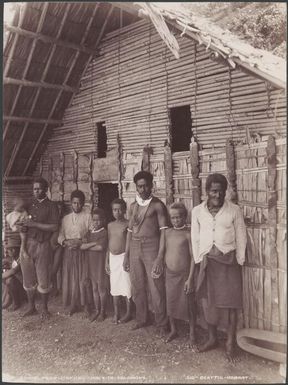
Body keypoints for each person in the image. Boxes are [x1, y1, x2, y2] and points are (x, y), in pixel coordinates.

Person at [191, 173, 247, 362]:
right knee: (208, 303)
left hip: (228, 261)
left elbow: (241, 234)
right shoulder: (197, 211)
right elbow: (195, 236)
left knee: (231, 304)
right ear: (207, 191)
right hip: (208, 262)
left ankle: (230, 342)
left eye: (221, 191)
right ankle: (212, 338)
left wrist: (239, 259)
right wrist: (199, 259)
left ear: (225, 192)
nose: (217, 195)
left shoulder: (234, 210)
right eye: (214, 191)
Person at [123, 170, 168, 334]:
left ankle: (162, 324)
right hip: (135, 247)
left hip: (152, 247)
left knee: (156, 286)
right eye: (139, 187)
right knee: (137, 285)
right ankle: (142, 319)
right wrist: (126, 255)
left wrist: (159, 257)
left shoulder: (157, 205)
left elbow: (164, 232)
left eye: (145, 186)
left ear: (151, 186)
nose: (142, 190)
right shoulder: (133, 206)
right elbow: (129, 232)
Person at [17, 177, 59, 319]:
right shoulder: (29, 204)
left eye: (39, 188)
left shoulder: (52, 206)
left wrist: (34, 224)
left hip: (43, 245)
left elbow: (54, 227)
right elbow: (20, 222)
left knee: (43, 277)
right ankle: (31, 307)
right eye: (34, 189)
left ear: (46, 189)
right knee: (28, 277)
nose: (36, 191)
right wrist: (21, 225)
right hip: (28, 244)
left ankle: (45, 309)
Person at [159, 202, 197, 346]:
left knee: (189, 305)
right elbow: (163, 252)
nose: (176, 221)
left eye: (178, 218)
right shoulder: (167, 232)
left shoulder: (188, 234)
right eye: (173, 218)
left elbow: (194, 257)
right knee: (171, 302)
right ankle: (173, 330)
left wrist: (190, 278)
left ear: (184, 217)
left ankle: (192, 333)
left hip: (184, 275)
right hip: (170, 275)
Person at [58, 190, 92, 316]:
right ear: (71, 203)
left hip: (82, 251)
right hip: (68, 252)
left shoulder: (88, 216)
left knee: (83, 277)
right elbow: (60, 235)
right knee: (71, 278)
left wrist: (79, 242)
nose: (76, 206)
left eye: (79, 203)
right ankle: (73, 304)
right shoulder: (65, 219)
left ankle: (86, 304)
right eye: (74, 203)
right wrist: (65, 243)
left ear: (83, 203)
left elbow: (91, 234)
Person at [106, 198, 132, 324]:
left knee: (127, 285)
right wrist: (107, 261)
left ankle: (128, 312)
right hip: (112, 258)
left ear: (125, 210)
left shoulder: (128, 224)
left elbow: (129, 243)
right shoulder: (110, 225)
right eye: (115, 210)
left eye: (120, 209)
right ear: (112, 211)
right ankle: (116, 313)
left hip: (123, 257)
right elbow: (108, 243)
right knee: (115, 285)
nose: (118, 212)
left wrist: (127, 258)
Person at [82, 208, 109, 322]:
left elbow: (101, 247)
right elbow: (82, 246)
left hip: (99, 264)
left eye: (98, 220)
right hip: (90, 264)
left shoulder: (104, 232)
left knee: (101, 288)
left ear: (103, 220)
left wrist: (88, 246)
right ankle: (97, 310)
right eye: (94, 220)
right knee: (94, 288)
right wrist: (93, 243)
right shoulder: (89, 233)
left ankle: (103, 311)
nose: (95, 222)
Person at [2, 237, 26, 311]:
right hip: (19, 283)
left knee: (9, 280)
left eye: (9, 250)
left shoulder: (21, 259)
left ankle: (16, 303)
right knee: (8, 279)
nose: (7, 252)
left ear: (14, 250)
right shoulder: (14, 258)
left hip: (25, 287)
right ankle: (8, 299)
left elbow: (13, 271)